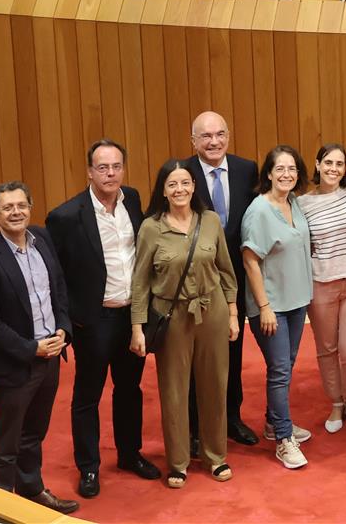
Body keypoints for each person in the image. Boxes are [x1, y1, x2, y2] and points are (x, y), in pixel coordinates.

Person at [45, 139, 159, 498]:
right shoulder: (65, 216)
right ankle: (89, 467)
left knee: (130, 390)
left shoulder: (134, 200)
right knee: (87, 397)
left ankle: (129, 454)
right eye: (102, 167)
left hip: (132, 317)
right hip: (93, 322)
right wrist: (68, 322)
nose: (110, 174)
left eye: (116, 166)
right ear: (89, 171)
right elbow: (56, 275)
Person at [0, 182, 79, 514]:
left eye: (21, 205)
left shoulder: (41, 239)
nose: (16, 212)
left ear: (30, 207)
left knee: (34, 434)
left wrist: (64, 330)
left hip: (50, 357)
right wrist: (31, 349)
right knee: (6, 444)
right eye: (7, 208)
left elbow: (57, 288)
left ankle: (31, 491)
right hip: (15, 365)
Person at [129, 161, 238, 489]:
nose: (179, 190)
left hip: (212, 309)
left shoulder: (210, 221)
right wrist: (137, 327)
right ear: (163, 190)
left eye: (185, 183)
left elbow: (227, 270)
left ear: (194, 187)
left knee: (215, 386)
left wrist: (232, 313)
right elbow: (141, 282)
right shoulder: (151, 227)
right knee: (174, 390)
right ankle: (178, 462)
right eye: (172, 184)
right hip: (172, 316)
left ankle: (215, 456)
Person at [173, 111, 260, 447]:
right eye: (205, 136)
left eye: (219, 134)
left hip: (235, 277)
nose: (213, 142)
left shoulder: (245, 169)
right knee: (196, 354)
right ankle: (195, 428)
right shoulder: (181, 172)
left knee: (232, 350)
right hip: (195, 282)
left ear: (228, 136)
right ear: (193, 141)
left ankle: (231, 418)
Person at [241, 144, 314, 469]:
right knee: (280, 370)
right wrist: (265, 306)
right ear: (268, 174)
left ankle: (273, 423)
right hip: (271, 306)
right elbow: (250, 261)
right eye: (279, 169)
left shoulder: (293, 202)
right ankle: (284, 439)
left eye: (292, 169)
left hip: (296, 300)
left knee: (286, 364)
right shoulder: (259, 210)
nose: (286, 174)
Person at [297, 142, 346, 435]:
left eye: (339, 164)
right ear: (317, 164)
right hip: (321, 284)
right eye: (328, 163)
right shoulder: (302, 203)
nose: (333, 169)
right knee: (327, 348)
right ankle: (336, 403)